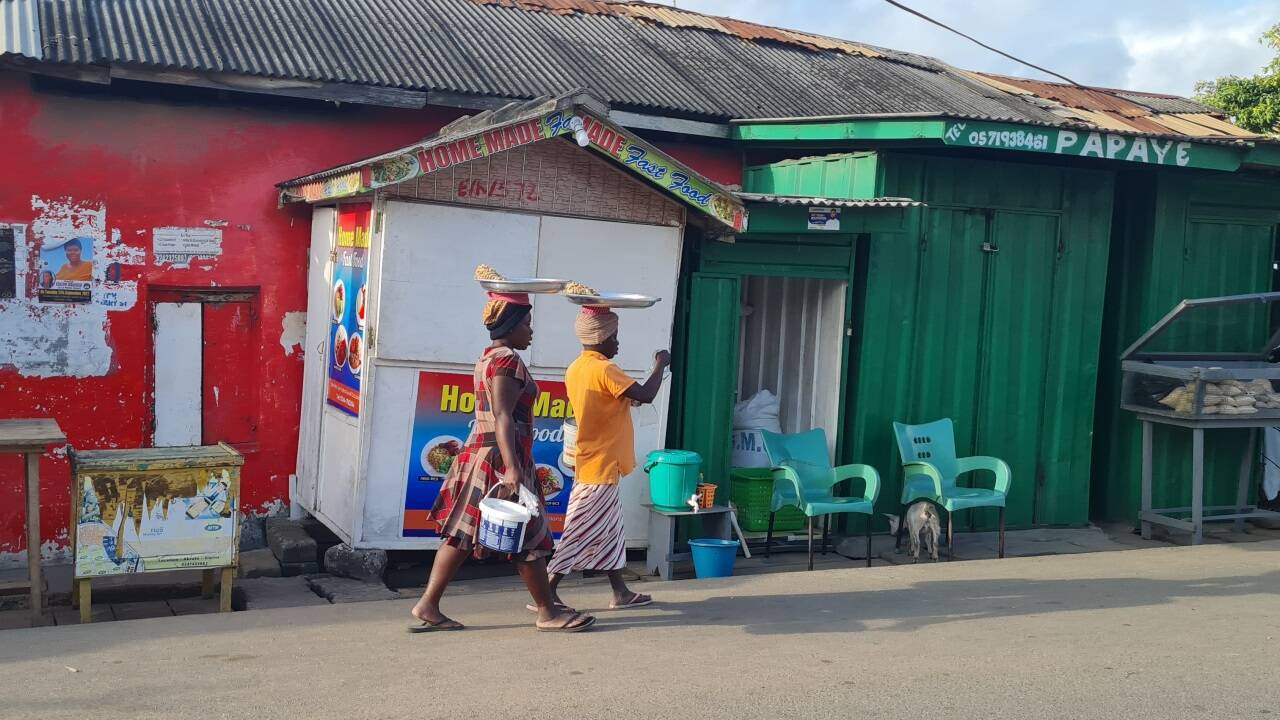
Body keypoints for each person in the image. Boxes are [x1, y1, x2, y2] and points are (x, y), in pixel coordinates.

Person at [409, 293, 596, 633]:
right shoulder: (508, 360)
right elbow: (503, 415)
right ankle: (547, 612)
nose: (531, 331)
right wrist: (512, 468)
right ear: (510, 326)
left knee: (461, 535)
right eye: (526, 324)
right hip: (499, 457)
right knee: (530, 535)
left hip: (479, 453)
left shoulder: (487, 358)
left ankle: (428, 604)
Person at [545, 307, 669, 610]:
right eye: (614, 337)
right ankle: (545, 592)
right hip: (599, 463)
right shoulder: (604, 369)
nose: (617, 344)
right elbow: (646, 394)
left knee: (612, 530)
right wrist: (660, 365)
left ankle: (621, 592)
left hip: (596, 460)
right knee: (578, 529)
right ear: (600, 338)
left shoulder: (577, 367)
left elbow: (620, 398)